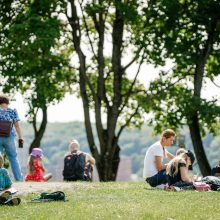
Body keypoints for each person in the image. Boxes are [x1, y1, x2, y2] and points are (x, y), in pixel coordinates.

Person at [0, 94, 23, 181]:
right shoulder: (12, 111)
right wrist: (20, 137)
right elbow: (16, 126)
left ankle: (1, 179)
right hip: (9, 137)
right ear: (7, 102)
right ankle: (19, 179)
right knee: (13, 157)